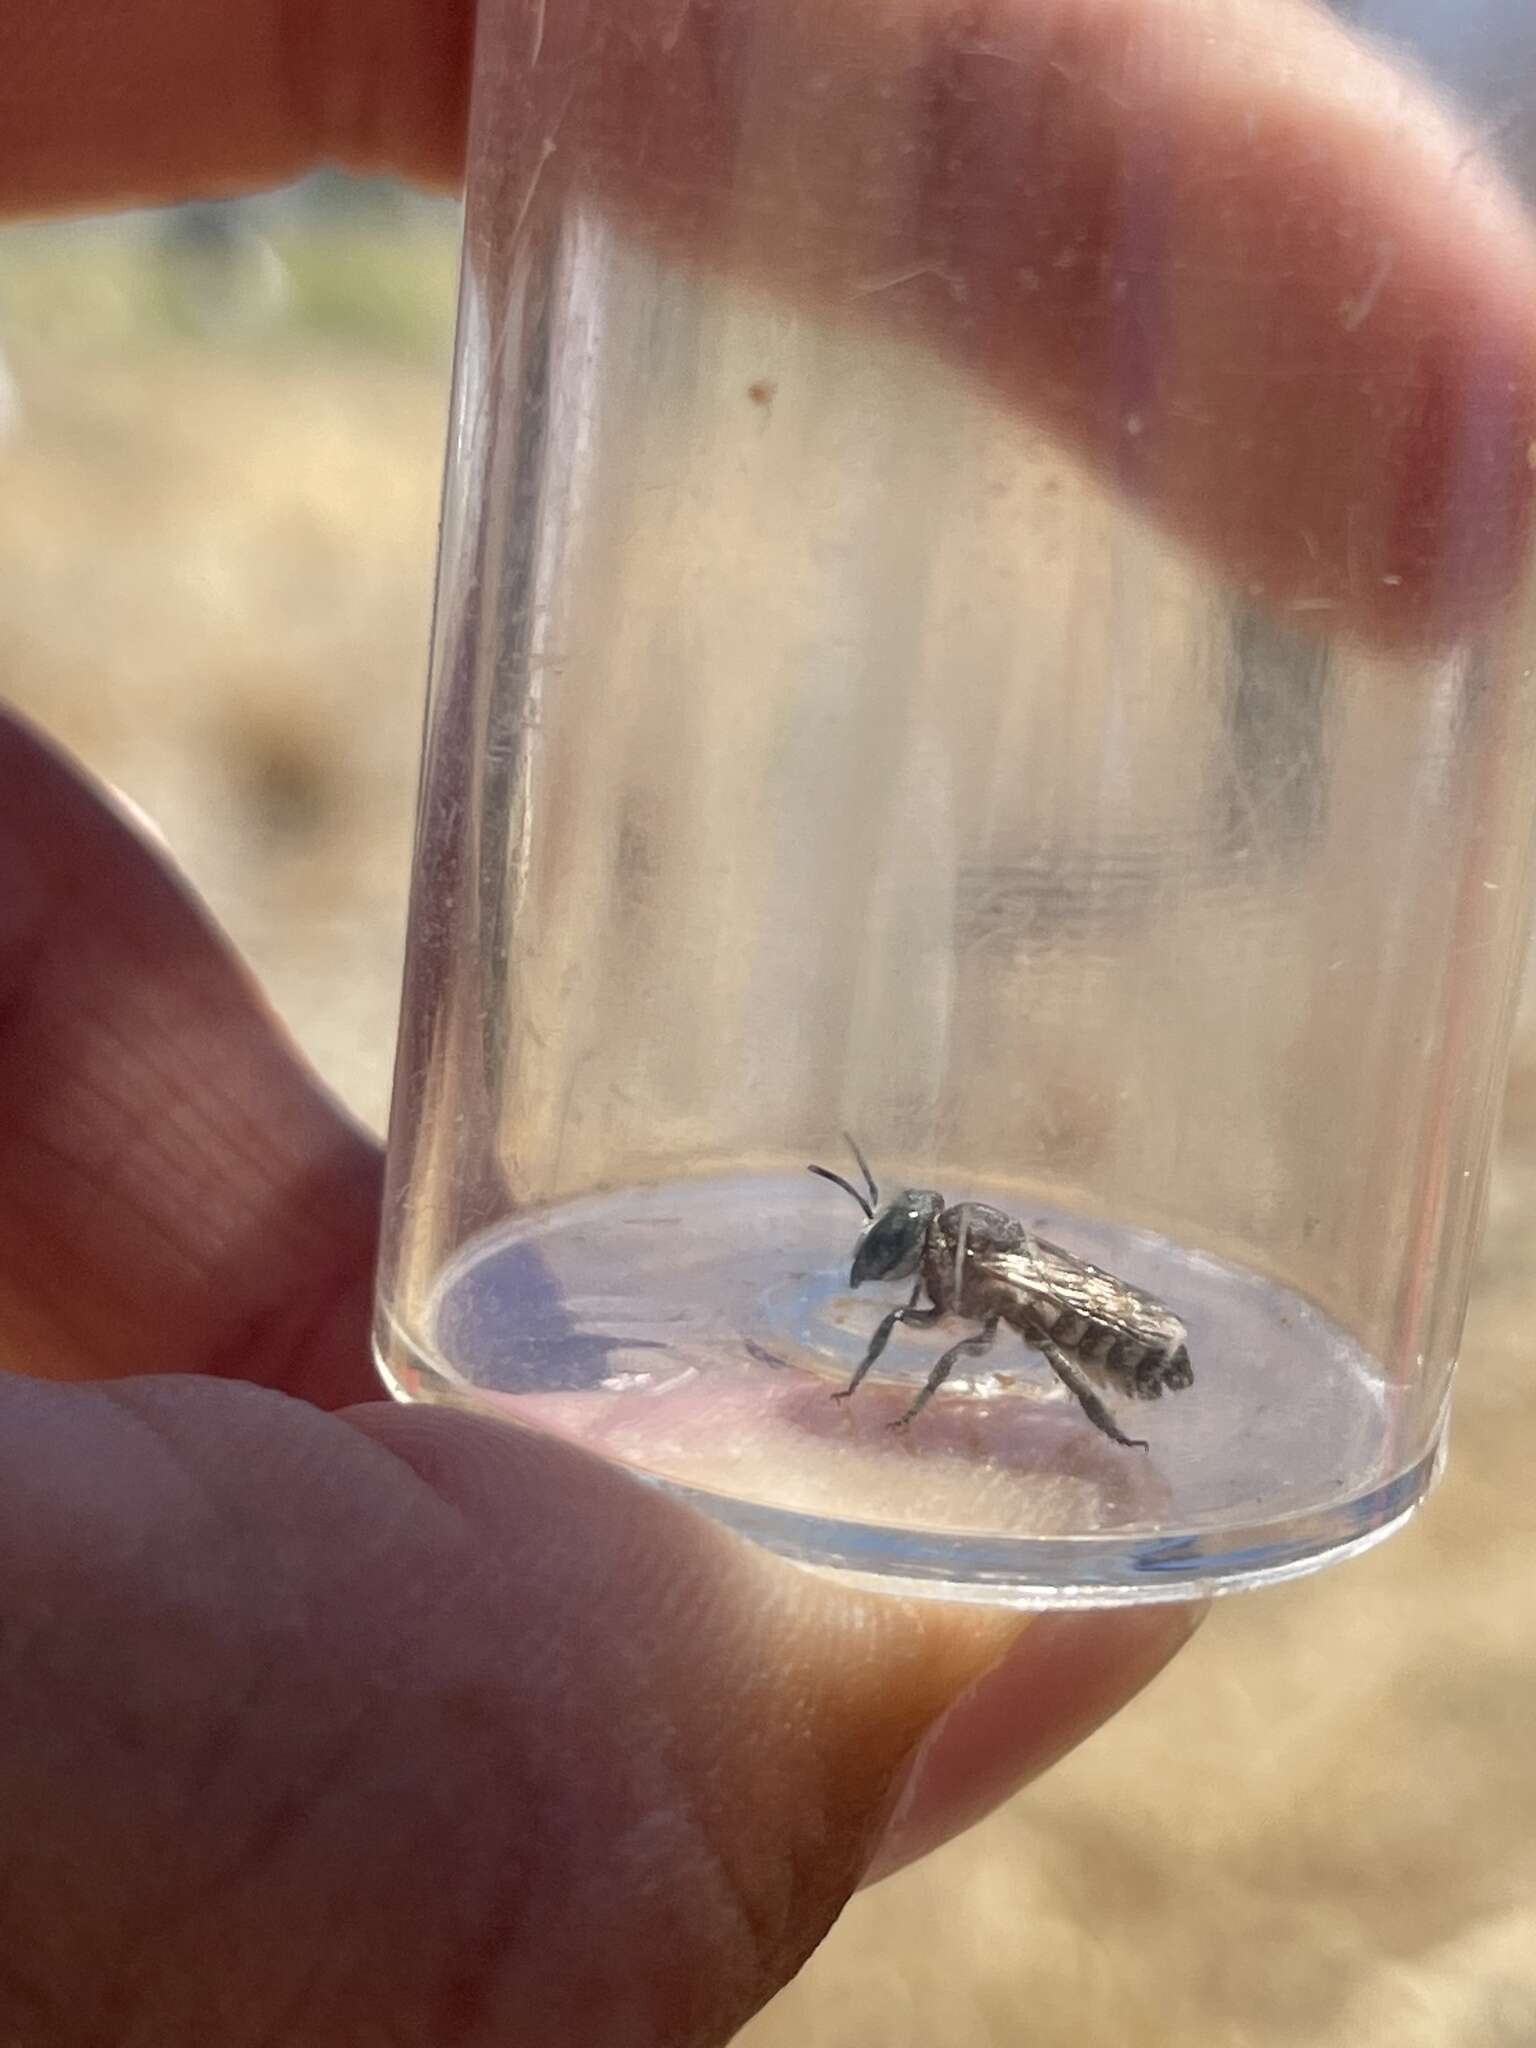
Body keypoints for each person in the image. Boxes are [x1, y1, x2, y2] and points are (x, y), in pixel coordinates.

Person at [0, 3, 1531, 2042]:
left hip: (1132, 1355)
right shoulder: (939, 1260)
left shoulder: (980, 1279)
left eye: (895, 1250)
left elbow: (1007, 1326)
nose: (896, 1262)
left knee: (1052, 1350)